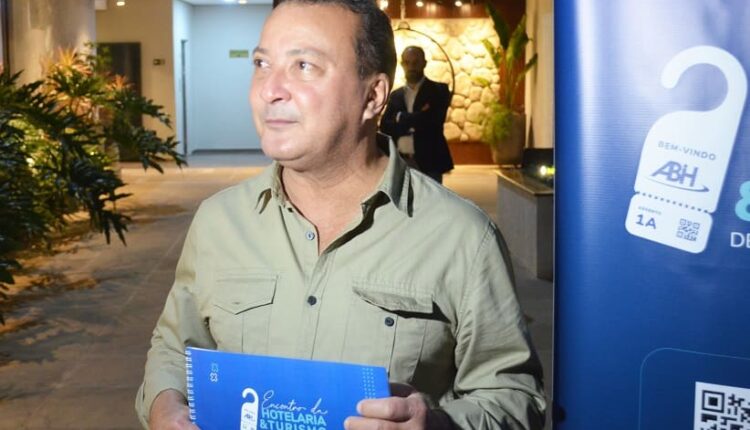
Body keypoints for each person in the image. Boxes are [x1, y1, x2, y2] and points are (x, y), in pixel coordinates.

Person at [135, 0, 545, 429]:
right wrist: (164, 406)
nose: (269, 89)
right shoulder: (218, 222)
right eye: (262, 63)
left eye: (304, 66)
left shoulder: (462, 237)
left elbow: (516, 398)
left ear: (373, 96)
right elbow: (173, 349)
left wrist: (440, 425)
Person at [380, 45, 454, 184]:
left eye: (415, 62)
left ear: (424, 63)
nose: (411, 67)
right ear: (402, 64)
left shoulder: (438, 90)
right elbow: (385, 126)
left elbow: (434, 122)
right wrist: (419, 118)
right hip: (401, 162)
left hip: (430, 162)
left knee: (431, 198)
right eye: (407, 63)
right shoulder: (395, 95)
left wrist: (400, 117)